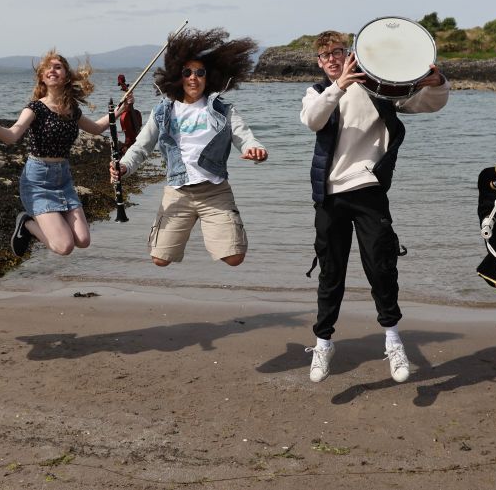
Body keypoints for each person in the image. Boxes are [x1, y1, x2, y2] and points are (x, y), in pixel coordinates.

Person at [300, 29, 449, 384]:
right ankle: (323, 343)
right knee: (330, 272)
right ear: (320, 64)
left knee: (382, 267)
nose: (333, 59)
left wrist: (438, 80)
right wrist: (339, 86)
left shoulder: (378, 89)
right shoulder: (318, 92)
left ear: (351, 53)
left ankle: (393, 340)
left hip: (368, 189)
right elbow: (312, 120)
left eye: (338, 52)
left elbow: (427, 103)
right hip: (330, 195)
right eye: (325, 56)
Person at [110, 28, 267, 268]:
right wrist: (123, 167)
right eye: (187, 72)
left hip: (215, 191)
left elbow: (245, 137)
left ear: (208, 77)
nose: (193, 77)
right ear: (178, 76)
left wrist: (256, 150)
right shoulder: (163, 111)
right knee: (159, 259)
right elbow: (140, 147)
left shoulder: (224, 110)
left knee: (234, 257)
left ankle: (213, 230)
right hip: (178, 191)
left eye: (200, 72)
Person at [0, 49, 124, 257]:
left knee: (83, 240)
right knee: (64, 247)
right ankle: (27, 223)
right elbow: (11, 136)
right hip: (38, 180)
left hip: (63, 178)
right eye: (48, 67)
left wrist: (118, 110)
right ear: (42, 78)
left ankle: (46, 223)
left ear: (66, 77)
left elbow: (97, 128)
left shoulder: (72, 109)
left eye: (58, 67)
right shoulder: (35, 108)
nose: (52, 70)